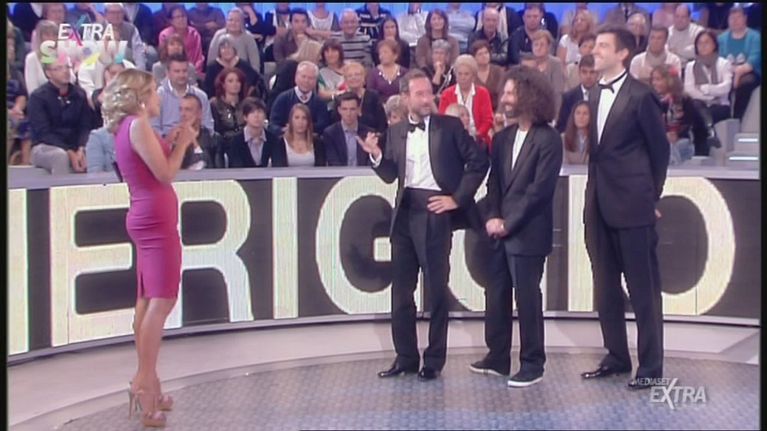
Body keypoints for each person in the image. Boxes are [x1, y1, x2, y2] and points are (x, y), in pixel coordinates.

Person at [358, 69, 488, 381]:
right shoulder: (396, 131)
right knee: (401, 291)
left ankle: (433, 360)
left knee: (436, 290)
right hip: (404, 214)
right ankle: (405, 357)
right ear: (405, 98)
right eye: (420, 94)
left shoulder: (450, 126)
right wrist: (376, 156)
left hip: (434, 213)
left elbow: (479, 161)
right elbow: (391, 175)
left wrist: (456, 198)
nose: (427, 99)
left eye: (429, 93)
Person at [101, 69, 195, 428]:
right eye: (154, 91)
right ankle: (142, 384)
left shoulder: (131, 127)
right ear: (140, 96)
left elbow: (151, 165)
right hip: (154, 222)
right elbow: (165, 174)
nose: (158, 97)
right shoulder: (138, 125)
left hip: (148, 217)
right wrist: (184, 144)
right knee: (162, 301)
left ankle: (151, 387)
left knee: (147, 299)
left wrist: (170, 140)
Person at [581, 26, 669, 390]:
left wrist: (651, 198)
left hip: (633, 206)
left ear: (622, 54)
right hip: (598, 204)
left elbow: (660, 152)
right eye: (596, 45)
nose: (595, 50)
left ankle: (650, 365)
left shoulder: (641, 96)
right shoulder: (593, 93)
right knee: (605, 288)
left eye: (603, 46)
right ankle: (616, 356)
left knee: (642, 289)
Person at [469, 64, 562, 387]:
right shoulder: (503, 138)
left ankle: (533, 364)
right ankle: (497, 357)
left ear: (529, 95)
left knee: (527, 299)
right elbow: (494, 183)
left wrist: (509, 223)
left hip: (527, 232)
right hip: (498, 231)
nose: (504, 98)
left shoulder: (549, 140)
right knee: (496, 294)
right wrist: (492, 217)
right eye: (505, 92)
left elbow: (539, 191)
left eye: (511, 93)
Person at [27, 59, 93, 174]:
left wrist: (81, 147)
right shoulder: (38, 97)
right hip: (45, 146)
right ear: (48, 73)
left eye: (67, 67)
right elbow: (44, 133)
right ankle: (62, 186)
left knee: (96, 150)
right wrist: (69, 151)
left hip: (75, 145)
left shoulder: (79, 94)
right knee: (60, 156)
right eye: (59, 68)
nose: (65, 71)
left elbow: (85, 126)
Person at [684, 30, 732, 148]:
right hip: (699, 104)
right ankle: (711, 132)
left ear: (714, 45)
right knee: (695, 105)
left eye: (707, 42)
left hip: (720, 105)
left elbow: (726, 87)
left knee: (698, 116)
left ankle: (701, 150)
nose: (703, 46)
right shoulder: (691, 66)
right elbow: (689, 89)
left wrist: (706, 89)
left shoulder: (724, 64)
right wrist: (710, 97)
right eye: (700, 43)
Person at [438, 55, 494, 148]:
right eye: (459, 74)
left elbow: (488, 120)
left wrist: (477, 135)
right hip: (453, 140)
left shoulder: (483, 93)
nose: (463, 77)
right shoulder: (446, 94)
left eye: (466, 74)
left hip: (478, 140)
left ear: (473, 76)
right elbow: (442, 120)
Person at [152, 54, 214, 137]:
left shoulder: (201, 96)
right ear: (168, 73)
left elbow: (208, 126)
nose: (181, 75)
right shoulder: (158, 96)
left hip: (197, 140)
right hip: (167, 141)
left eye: (184, 71)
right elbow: (154, 129)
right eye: (177, 71)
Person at [717, 6, 761, 120]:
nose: (735, 21)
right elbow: (720, 61)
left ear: (745, 18)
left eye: (738, 17)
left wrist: (738, 74)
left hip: (751, 72)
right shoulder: (721, 39)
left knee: (745, 83)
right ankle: (722, 115)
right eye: (732, 18)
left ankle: (738, 118)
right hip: (728, 71)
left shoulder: (755, 37)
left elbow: (753, 61)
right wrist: (732, 74)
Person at [269, 61, 331, 136]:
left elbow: (323, 126)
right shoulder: (283, 98)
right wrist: (285, 130)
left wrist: (302, 128)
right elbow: (273, 125)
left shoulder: (320, 103)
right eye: (303, 77)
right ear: (296, 77)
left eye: (310, 78)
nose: (306, 81)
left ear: (315, 81)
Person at [650, 65, 697, 163]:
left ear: (669, 81)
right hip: (659, 140)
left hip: (681, 140)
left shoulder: (685, 100)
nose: (654, 83)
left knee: (673, 148)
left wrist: (676, 134)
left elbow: (689, 122)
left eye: (658, 79)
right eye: (653, 79)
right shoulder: (651, 100)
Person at [203, 36, 266, 101]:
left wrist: (247, 96)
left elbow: (255, 80)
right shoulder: (212, 67)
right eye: (223, 48)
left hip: (241, 101)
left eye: (229, 48)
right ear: (219, 51)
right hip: (218, 102)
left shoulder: (243, 65)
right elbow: (208, 88)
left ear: (234, 50)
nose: (226, 51)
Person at [323, 91, 377, 167]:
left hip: (364, 173)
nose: (348, 113)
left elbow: (371, 162)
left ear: (358, 110)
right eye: (344, 109)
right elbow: (333, 161)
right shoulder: (330, 133)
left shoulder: (369, 133)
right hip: (339, 173)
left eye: (352, 109)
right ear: (339, 110)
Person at [226, 97, 281, 168]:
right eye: (252, 112)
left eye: (259, 112)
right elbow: (236, 168)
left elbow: (278, 165)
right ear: (245, 117)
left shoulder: (273, 140)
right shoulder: (236, 141)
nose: (256, 116)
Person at [337, 61, 388, 134]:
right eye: (350, 75)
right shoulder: (340, 99)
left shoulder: (374, 96)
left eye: (357, 74)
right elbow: (336, 125)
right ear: (345, 80)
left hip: (372, 137)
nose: (354, 78)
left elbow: (382, 123)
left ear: (363, 78)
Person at [208, 9, 262, 74]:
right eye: (230, 20)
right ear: (226, 21)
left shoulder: (248, 37)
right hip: (221, 75)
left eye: (237, 21)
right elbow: (211, 60)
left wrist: (252, 78)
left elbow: (255, 65)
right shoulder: (219, 35)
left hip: (243, 75)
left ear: (242, 22)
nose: (233, 23)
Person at [158, 5, 205, 77]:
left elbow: (199, 57)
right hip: (169, 71)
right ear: (171, 21)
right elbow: (164, 56)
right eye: (177, 17)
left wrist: (193, 72)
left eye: (183, 16)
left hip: (192, 71)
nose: (181, 19)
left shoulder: (194, 33)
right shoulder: (164, 35)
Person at [179, 94, 224, 169]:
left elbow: (210, 168)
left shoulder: (213, 139)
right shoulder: (175, 139)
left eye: (188, 109)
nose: (182, 114)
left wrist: (194, 141)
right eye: (180, 109)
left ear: (199, 113)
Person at [527, 31, 565, 117]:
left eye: (542, 45)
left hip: (549, 109)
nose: (538, 48)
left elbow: (557, 93)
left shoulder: (555, 64)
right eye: (536, 44)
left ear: (548, 47)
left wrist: (555, 116)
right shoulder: (527, 64)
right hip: (530, 109)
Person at [557, 54, 598, 133]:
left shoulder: (604, 96)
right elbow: (562, 126)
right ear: (579, 73)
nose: (588, 76)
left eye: (592, 72)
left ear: (598, 74)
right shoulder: (569, 97)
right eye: (584, 72)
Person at [210, 67, 248, 151]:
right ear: (223, 84)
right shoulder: (215, 104)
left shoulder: (247, 103)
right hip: (224, 146)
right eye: (230, 81)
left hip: (245, 145)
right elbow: (216, 130)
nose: (235, 84)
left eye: (238, 81)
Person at [667, 4, 705, 69]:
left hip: (693, 68)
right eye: (677, 16)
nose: (679, 20)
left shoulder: (698, 31)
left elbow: (699, 50)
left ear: (689, 18)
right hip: (672, 68)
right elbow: (666, 53)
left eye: (683, 17)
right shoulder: (668, 32)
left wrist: (677, 51)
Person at [472, 40, 505, 112]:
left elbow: (502, 93)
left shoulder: (498, 71)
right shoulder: (471, 73)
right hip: (476, 110)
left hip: (496, 110)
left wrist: (499, 112)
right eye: (480, 54)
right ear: (474, 57)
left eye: (486, 53)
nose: (484, 56)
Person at [562, 100, 590, 165]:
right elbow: (564, 163)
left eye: (585, 113)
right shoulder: (563, 139)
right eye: (578, 113)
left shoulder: (596, 141)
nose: (581, 117)